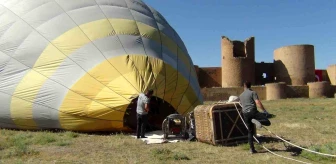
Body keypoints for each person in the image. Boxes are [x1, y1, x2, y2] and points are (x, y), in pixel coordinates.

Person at [239, 81, 271, 154]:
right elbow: (257, 102)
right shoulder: (253, 93)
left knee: (250, 132)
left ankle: (251, 149)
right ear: (250, 86)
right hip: (253, 112)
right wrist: (264, 111)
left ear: (244, 86)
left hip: (245, 114)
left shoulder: (241, 95)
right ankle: (257, 121)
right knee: (267, 122)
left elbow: (241, 104)